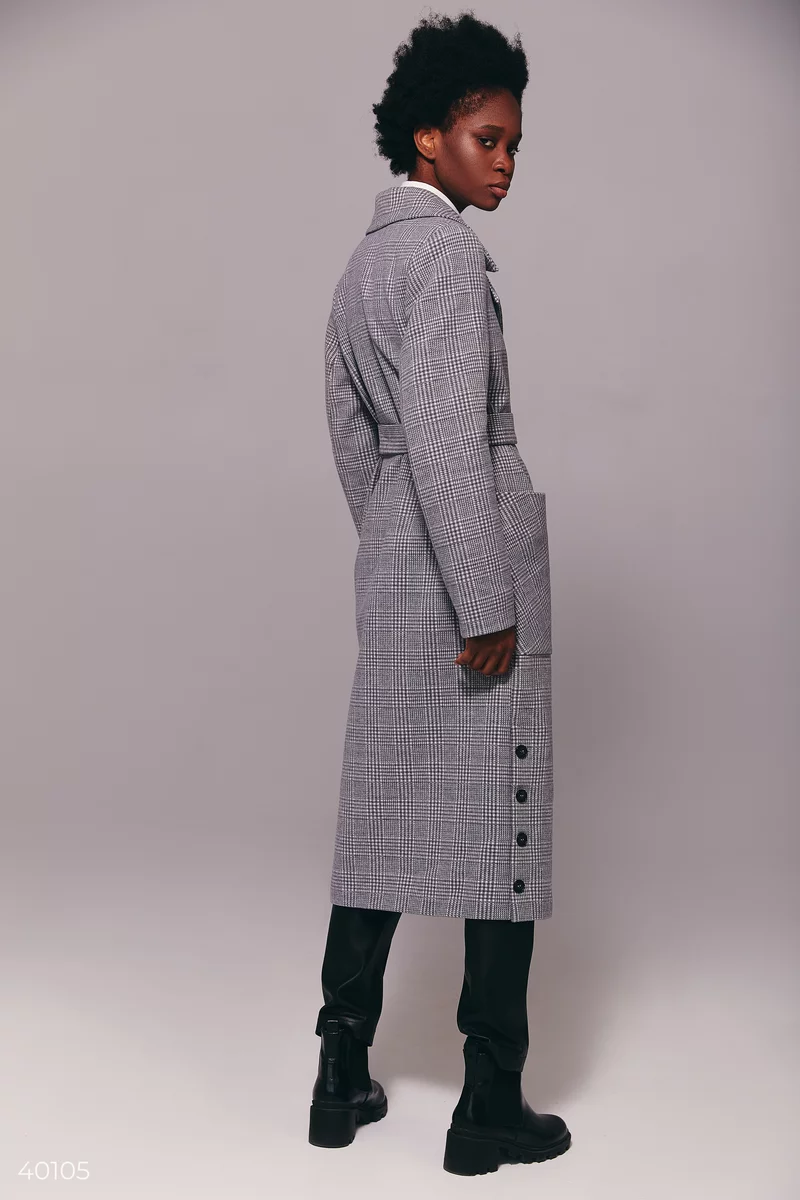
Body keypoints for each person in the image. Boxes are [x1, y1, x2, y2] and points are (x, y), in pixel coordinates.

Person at [308, 11, 571, 1175]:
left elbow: (352, 438)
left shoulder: (360, 267)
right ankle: (488, 1105)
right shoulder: (448, 260)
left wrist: (393, 554)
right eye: (485, 138)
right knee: (503, 822)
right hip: (470, 572)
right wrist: (482, 600)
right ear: (427, 138)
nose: (504, 162)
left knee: (381, 813)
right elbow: (451, 441)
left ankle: (338, 1075)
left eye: (512, 143)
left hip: (399, 562)